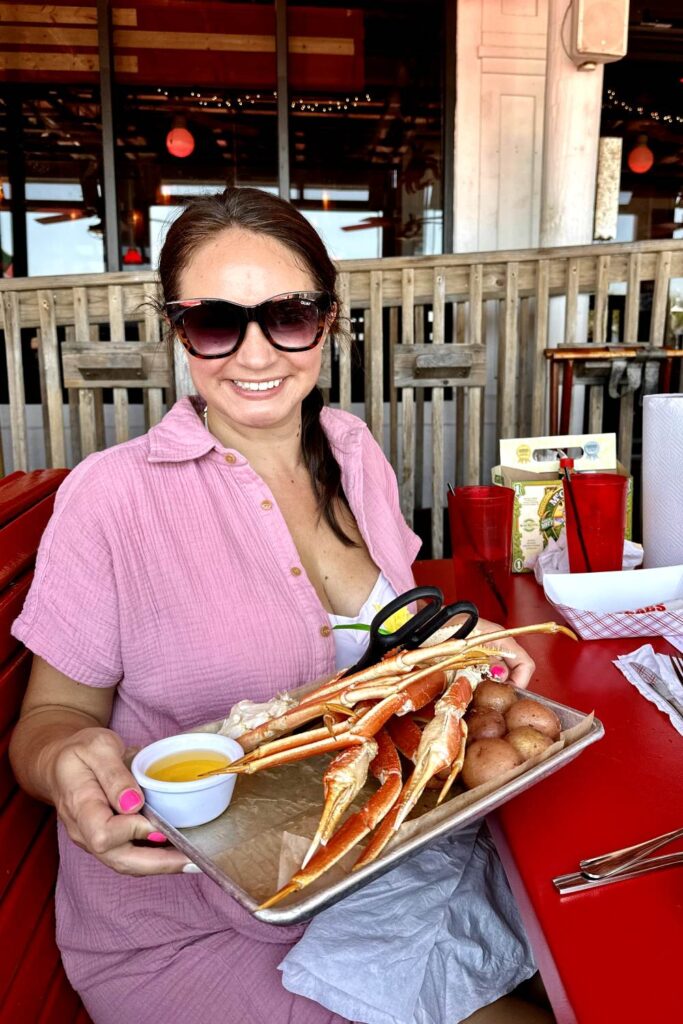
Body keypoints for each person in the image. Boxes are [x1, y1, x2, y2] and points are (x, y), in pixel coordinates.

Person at [10, 187, 549, 1024]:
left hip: (369, 860)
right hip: (194, 925)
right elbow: (49, 716)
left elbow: (392, 639)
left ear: (328, 322)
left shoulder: (353, 451)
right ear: (177, 331)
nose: (254, 353)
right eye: (215, 321)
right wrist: (68, 762)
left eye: (287, 315)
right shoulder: (111, 497)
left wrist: (451, 644)